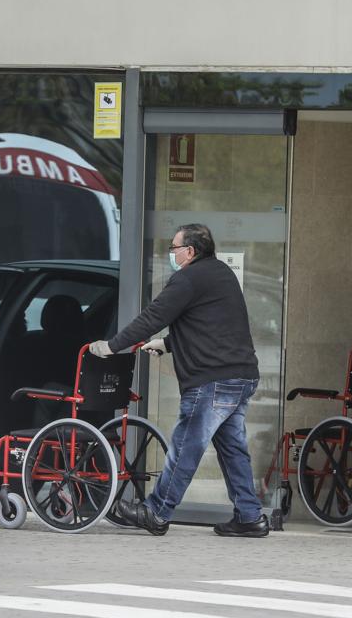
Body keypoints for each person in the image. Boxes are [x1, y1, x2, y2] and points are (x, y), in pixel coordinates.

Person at [90, 223, 266, 537]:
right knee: (233, 449)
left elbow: (152, 317)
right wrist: (168, 344)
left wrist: (112, 346)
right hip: (240, 377)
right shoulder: (222, 274)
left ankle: (156, 512)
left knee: (185, 446)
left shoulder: (187, 278)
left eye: (174, 248)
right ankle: (250, 516)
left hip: (211, 381)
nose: (171, 253)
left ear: (190, 251)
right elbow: (213, 325)